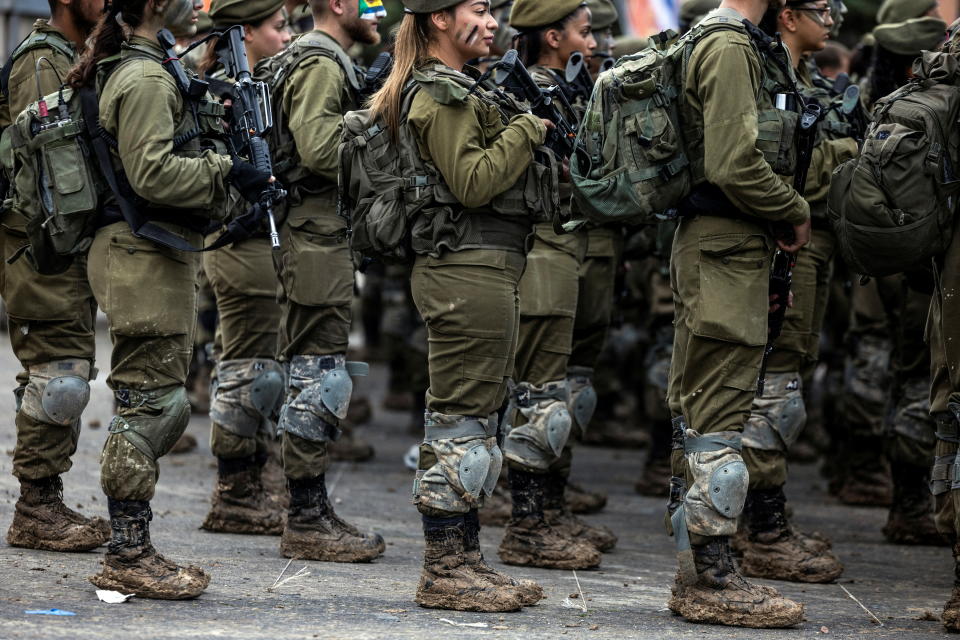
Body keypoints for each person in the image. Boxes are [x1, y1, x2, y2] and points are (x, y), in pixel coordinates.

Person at [66, 0, 274, 598]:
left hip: (153, 251)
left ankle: (132, 546)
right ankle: (128, 554)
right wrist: (226, 169)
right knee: (149, 408)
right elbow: (153, 174)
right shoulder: (144, 77)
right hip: (139, 254)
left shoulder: (154, 68)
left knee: (156, 402)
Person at [367, 0, 558, 612]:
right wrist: (527, 129)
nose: (493, 21)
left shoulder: (453, 87)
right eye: (479, 9)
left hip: (481, 266)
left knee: (476, 416)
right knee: (461, 420)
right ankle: (446, 567)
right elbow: (473, 181)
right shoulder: (439, 94)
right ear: (440, 20)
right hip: (464, 268)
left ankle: (463, 558)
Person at [665, 0, 811, 627]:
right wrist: (792, 208)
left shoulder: (732, 40)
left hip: (729, 245)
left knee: (706, 407)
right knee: (717, 410)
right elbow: (732, 162)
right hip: (724, 244)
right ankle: (709, 578)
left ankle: (702, 570)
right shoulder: (728, 46)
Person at [735, 0, 853, 584]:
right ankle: (761, 530)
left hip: (810, 245)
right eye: (820, 8)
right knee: (772, 391)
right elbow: (773, 166)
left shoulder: (797, 76)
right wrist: (851, 155)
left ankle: (763, 519)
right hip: (781, 246)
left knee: (784, 383)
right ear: (785, 15)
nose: (831, 18)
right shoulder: (761, 73)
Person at [495, 0, 610, 572]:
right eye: (584, 34)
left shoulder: (564, 88)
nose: (591, 43)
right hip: (539, 251)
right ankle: (527, 525)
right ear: (552, 36)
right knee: (539, 396)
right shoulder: (524, 92)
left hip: (562, 248)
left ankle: (547, 511)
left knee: (553, 394)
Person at [269, 0, 385, 562]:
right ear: (338, 5)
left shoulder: (329, 58)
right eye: (369, 2)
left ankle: (307, 508)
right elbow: (318, 150)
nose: (380, 11)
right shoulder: (320, 62)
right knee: (318, 374)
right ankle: (306, 516)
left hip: (321, 230)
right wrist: (376, 115)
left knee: (318, 371)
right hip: (313, 232)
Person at [0, 0, 109, 554]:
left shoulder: (75, 53)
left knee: (57, 369)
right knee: (58, 373)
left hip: (62, 242)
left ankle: (43, 496)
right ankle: (36, 509)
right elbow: (56, 170)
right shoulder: (42, 60)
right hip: (41, 244)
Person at [195, 0, 291, 537]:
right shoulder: (220, 93)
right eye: (277, 28)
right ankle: (236, 492)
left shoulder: (245, 87)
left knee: (255, 363)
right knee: (247, 368)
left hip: (252, 236)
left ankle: (251, 474)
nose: (285, 37)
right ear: (246, 32)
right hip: (236, 237)